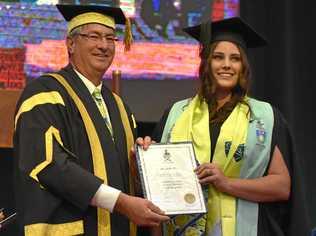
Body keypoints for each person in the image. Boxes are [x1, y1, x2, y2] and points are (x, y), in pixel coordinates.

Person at [13, 4, 168, 236]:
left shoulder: (119, 106)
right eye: (93, 36)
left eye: (109, 38)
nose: (103, 46)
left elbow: (125, 178)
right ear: (71, 43)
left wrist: (143, 164)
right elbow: (49, 164)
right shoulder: (45, 94)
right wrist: (121, 202)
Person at [152, 17, 309, 236]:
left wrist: (227, 184)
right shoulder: (176, 115)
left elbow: (282, 187)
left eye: (235, 58)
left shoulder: (264, 117)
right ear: (206, 63)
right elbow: (157, 186)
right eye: (218, 57)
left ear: (243, 66)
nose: (227, 64)